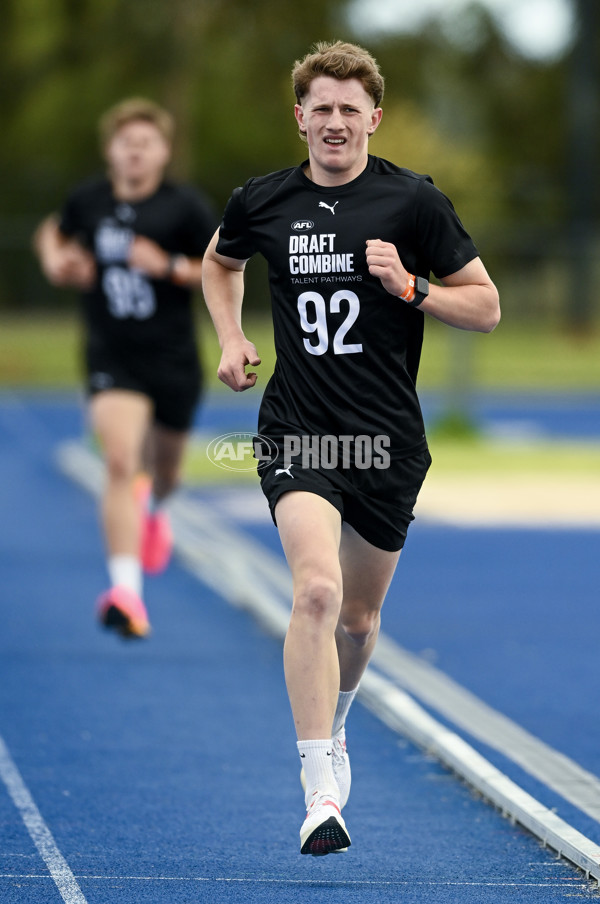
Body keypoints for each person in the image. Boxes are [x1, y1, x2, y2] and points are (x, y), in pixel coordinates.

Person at [201, 41, 500, 855]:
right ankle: (318, 790)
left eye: (348, 108)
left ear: (374, 116)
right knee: (316, 594)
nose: (334, 122)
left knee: (360, 620)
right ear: (299, 118)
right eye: (320, 109)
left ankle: (335, 727)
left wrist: (413, 287)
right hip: (297, 430)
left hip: (387, 443)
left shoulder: (414, 203)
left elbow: (486, 307)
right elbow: (218, 263)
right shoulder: (261, 200)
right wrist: (230, 337)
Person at [34, 97, 217, 639]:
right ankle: (126, 591)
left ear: (163, 153)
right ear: (110, 150)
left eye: (146, 143)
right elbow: (54, 229)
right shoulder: (88, 199)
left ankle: (156, 505)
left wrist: (169, 265)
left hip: (174, 358)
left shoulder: (184, 207)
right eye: (125, 142)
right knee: (118, 462)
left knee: (165, 474)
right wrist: (56, 261)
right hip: (112, 356)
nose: (135, 151)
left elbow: (222, 266)